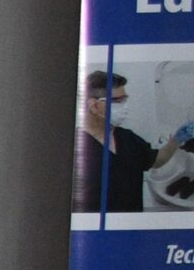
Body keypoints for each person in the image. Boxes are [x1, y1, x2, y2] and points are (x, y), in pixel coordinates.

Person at [72, 68, 184, 214]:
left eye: (125, 99)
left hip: (131, 224)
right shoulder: (75, 147)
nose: (125, 106)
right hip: (94, 227)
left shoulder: (128, 138)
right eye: (118, 101)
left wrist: (177, 139)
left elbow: (157, 160)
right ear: (94, 106)